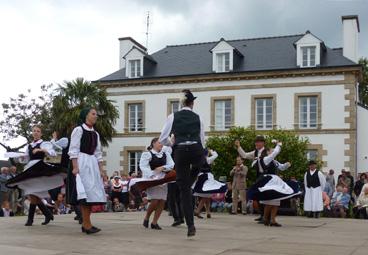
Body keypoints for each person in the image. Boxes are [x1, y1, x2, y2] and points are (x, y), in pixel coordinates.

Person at [159, 89, 205, 237]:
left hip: (180, 150)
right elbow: (202, 139)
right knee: (200, 164)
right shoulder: (198, 117)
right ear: (192, 103)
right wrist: (201, 153)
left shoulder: (173, 116)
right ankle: (190, 181)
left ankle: (190, 226)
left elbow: (162, 138)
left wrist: (171, 143)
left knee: (184, 191)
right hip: (196, 149)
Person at [6, 125, 67, 226]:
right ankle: (46, 214)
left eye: (38, 131)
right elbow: (26, 158)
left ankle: (33, 219)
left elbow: (53, 153)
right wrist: (21, 157)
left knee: (33, 194)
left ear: (41, 133)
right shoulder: (29, 146)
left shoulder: (44, 143)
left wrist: (41, 150)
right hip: (30, 168)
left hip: (40, 169)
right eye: (34, 131)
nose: (36, 133)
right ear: (32, 133)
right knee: (33, 194)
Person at [68, 107, 106, 235]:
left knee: (90, 195)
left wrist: (101, 170)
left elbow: (98, 153)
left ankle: (86, 224)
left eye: (96, 114)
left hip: (92, 164)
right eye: (93, 114)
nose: (96, 116)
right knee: (84, 195)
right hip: (82, 162)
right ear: (86, 115)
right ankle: (87, 224)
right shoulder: (78, 130)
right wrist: (75, 167)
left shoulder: (96, 133)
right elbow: (73, 149)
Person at [247, 141, 297, 227]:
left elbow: (281, 167)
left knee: (276, 201)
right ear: (267, 152)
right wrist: (278, 144)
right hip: (269, 180)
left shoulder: (274, 161)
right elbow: (276, 152)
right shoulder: (266, 159)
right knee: (269, 201)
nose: (272, 152)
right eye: (270, 151)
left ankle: (272, 220)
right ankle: (266, 218)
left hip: (275, 180)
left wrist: (287, 165)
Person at [140, 138, 174, 230]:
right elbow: (143, 166)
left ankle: (154, 222)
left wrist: (162, 167)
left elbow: (171, 164)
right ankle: (147, 217)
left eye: (162, 143)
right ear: (153, 143)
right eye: (159, 143)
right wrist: (152, 174)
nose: (161, 144)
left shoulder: (165, 154)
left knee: (162, 201)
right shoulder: (147, 154)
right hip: (152, 179)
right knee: (154, 200)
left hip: (163, 179)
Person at [193, 149, 226, 219]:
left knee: (207, 195)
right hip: (207, 177)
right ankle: (198, 210)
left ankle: (208, 212)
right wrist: (212, 151)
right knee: (206, 195)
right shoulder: (207, 159)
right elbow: (216, 155)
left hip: (200, 177)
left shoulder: (198, 160)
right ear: (207, 154)